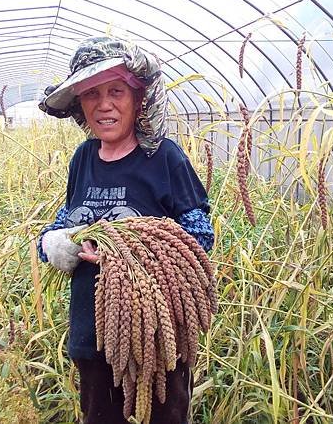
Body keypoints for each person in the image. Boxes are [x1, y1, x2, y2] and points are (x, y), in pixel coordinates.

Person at [36, 36, 214, 424]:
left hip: (156, 337)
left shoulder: (164, 158)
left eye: (116, 90)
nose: (104, 104)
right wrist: (53, 243)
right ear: (80, 106)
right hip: (93, 334)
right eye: (91, 94)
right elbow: (67, 219)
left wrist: (126, 254)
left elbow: (199, 237)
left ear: (138, 98)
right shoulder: (83, 157)